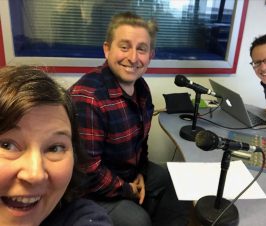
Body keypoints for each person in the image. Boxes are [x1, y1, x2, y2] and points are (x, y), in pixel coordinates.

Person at [69, 12, 191, 226]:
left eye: (141, 49)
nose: (133, 58)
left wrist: (141, 173)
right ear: (107, 49)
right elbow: (88, 172)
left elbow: (140, 145)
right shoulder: (88, 97)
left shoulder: (142, 88)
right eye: (124, 47)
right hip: (90, 191)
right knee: (137, 220)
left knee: (173, 181)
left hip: (126, 174)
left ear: (150, 54)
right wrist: (128, 190)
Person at [0, 65, 113, 226]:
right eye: (6, 145)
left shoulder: (82, 217)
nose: (35, 175)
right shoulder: (92, 95)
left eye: (55, 148)